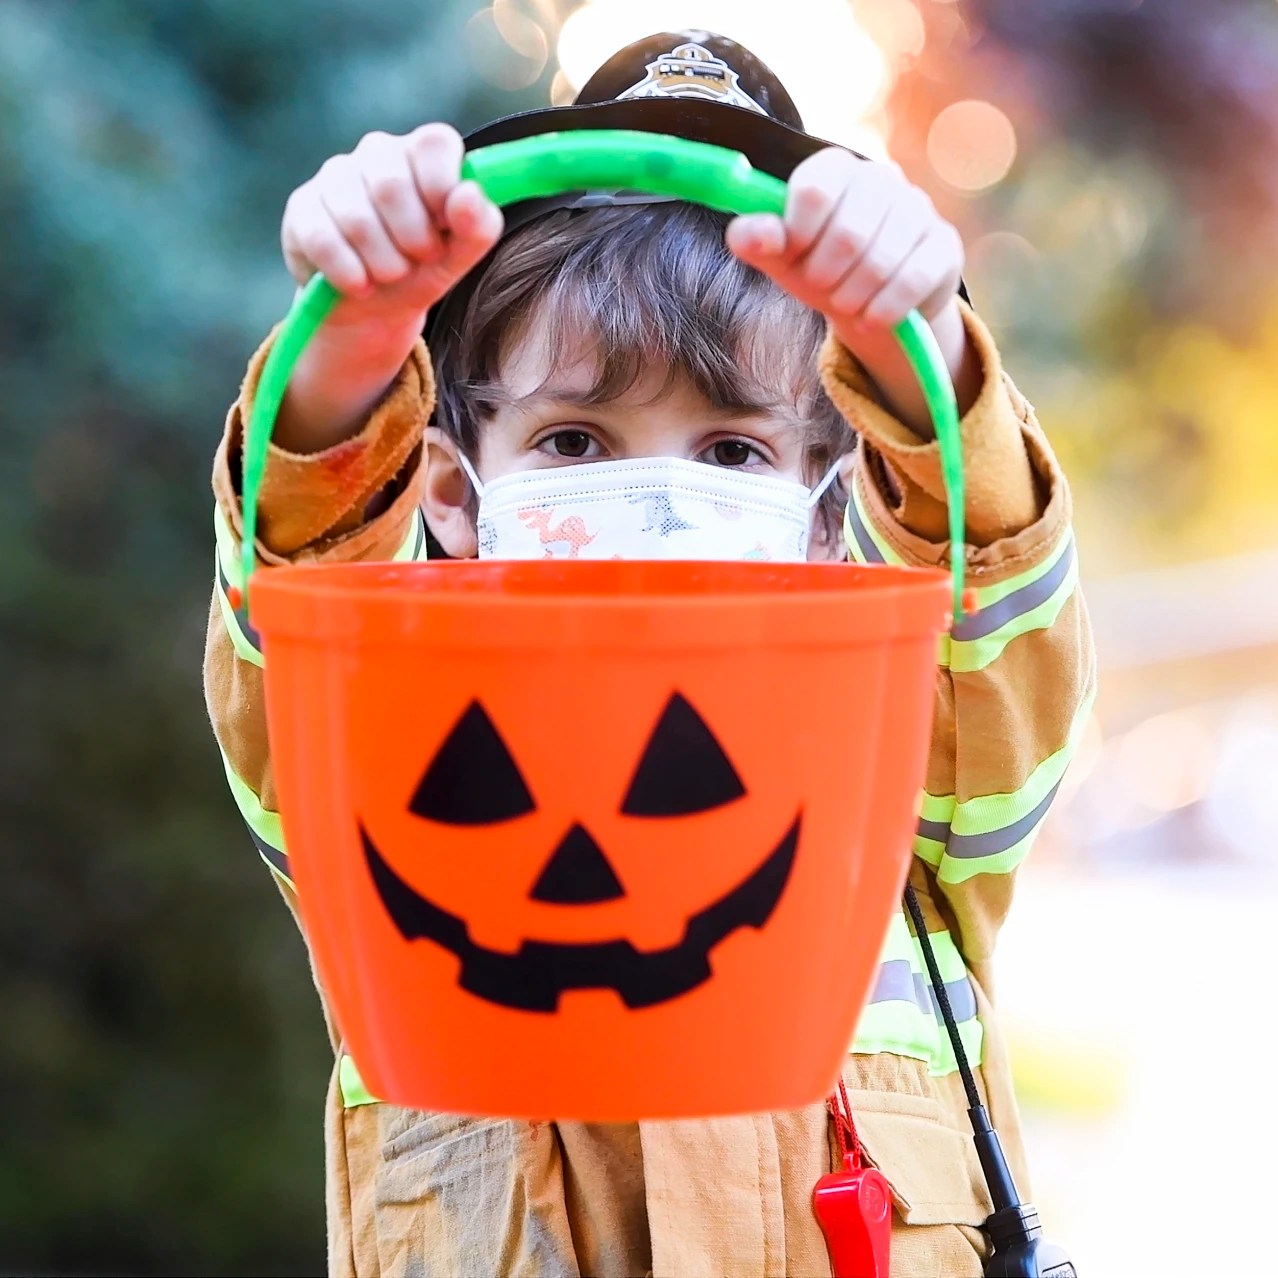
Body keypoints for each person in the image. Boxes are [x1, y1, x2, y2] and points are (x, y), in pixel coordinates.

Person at [204, 30, 1094, 1278]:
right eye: (574, 439)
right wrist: (344, 364)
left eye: (732, 450)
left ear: (827, 511)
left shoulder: (893, 783)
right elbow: (298, 620)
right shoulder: (403, 775)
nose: (661, 502)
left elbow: (993, 629)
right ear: (454, 494)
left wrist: (924, 353)